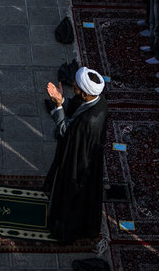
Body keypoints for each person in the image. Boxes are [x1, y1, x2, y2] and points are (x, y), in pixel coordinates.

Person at [44, 67, 108, 243]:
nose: (74, 89)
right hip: (87, 156)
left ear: (86, 94)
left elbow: (65, 130)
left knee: (72, 194)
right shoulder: (99, 101)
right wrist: (63, 100)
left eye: (76, 88)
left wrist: (58, 105)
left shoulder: (89, 121)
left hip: (78, 164)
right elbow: (75, 108)